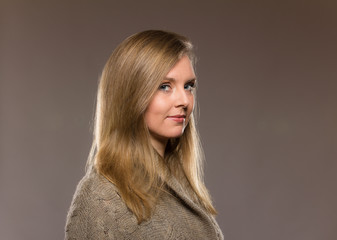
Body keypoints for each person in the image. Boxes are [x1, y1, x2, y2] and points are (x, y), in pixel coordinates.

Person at [65, 30, 223, 239]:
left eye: (188, 86)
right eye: (165, 86)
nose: (184, 100)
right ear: (130, 95)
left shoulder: (184, 188)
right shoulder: (100, 196)